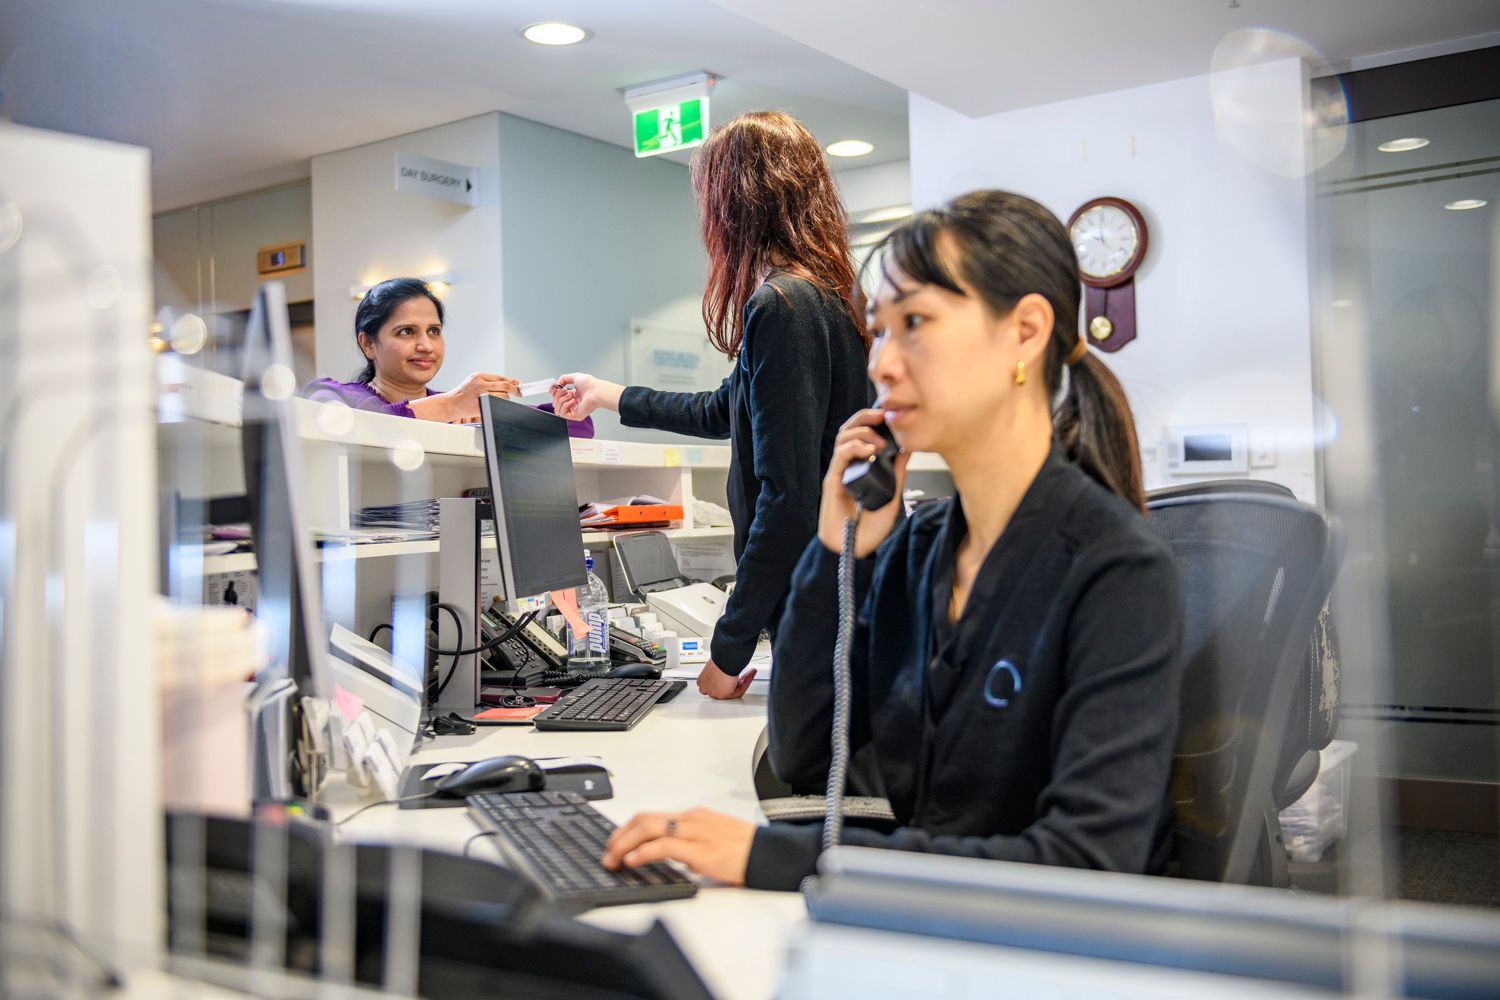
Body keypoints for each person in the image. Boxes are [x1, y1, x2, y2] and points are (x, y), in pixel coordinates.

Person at [600, 191, 1185, 889]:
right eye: (878, 330)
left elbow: (1084, 863)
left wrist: (776, 860)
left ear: (1025, 332)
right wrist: (832, 548)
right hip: (917, 929)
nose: (882, 363)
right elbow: (807, 753)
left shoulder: (1115, 570)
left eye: (914, 323)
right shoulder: (919, 546)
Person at [551, 111, 872, 700]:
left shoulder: (782, 305)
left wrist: (727, 652)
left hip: (818, 610)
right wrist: (608, 394)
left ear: (737, 202)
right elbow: (727, 408)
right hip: (837, 599)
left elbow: (788, 499)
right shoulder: (825, 298)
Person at [305, 277, 519, 422]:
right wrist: (452, 405)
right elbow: (362, 427)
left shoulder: (460, 408)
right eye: (406, 331)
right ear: (368, 344)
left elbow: (533, 417)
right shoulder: (332, 396)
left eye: (434, 331)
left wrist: (554, 402)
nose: (426, 346)